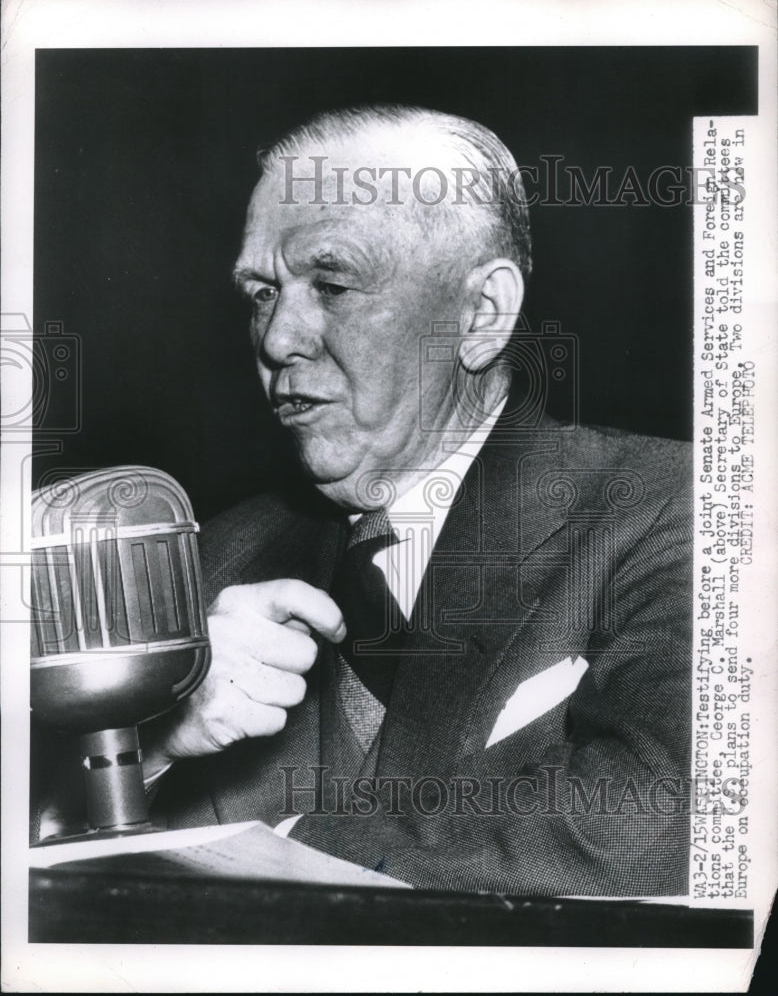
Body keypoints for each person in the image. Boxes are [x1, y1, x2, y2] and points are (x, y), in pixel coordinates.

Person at [78, 105, 698, 895]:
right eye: (262, 293)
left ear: (480, 315)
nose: (276, 340)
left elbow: (681, 805)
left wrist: (289, 849)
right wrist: (156, 742)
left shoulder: (669, 508)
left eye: (331, 284)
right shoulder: (208, 562)